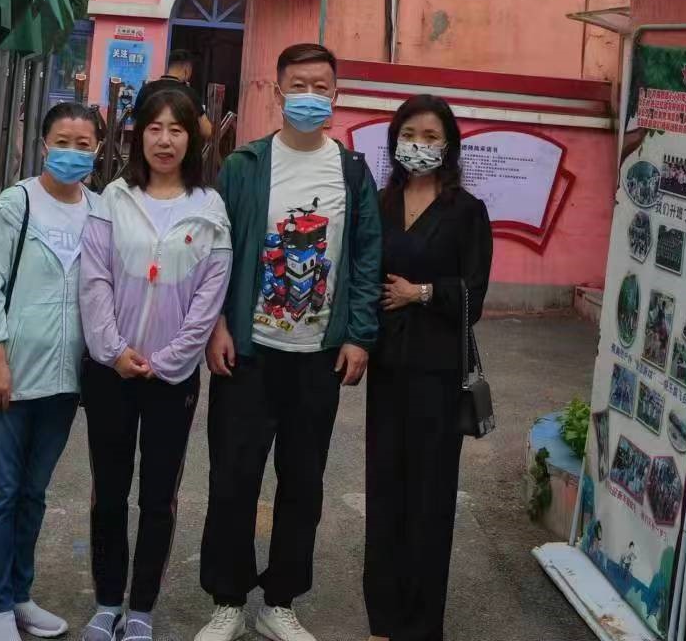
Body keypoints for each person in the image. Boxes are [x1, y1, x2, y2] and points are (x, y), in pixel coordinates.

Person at [196, 42, 382, 641]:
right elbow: (216, 254)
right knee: (233, 479)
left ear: (336, 95)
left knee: (303, 484)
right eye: (298, 85)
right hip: (248, 354)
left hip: (318, 357)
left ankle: (280, 602)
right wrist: (217, 325)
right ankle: (227, 599)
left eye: (320, 86)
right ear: (278, 93)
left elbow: (366, 257)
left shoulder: (351, 172)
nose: (309, 96)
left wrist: (358, 335)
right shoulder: (244, 166)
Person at [79, 88, 232, 641]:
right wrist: (113, 350)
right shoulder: (112, 200)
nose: (165, 141)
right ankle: (106, 603)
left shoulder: (209, 209)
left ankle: (141, 608)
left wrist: (169, 360)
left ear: (192, 139)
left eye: (177, 129)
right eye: (154, 128)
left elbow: (210, 297)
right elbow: (94, 280)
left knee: (158, 496)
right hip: (110, 372)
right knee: (109, 491)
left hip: (173, 379)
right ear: (137, 135)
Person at [0, 103, 104, 641]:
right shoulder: (17, 203)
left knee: (33, 493)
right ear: (44, 144)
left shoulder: (99, 210)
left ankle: (21, 595)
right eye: (62, 141)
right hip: (13, 376)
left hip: (66, 381)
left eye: (83, 144)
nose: (72, 152)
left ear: (98, 149)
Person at [362, 95, 492, 641]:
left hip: (438, 375)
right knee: (384, 492)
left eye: (431, 135)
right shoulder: (380, 203)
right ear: (395, 141)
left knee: (430, 498)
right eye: (410, 134)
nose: (419, 144)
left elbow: (474, 296)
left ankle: (420, 626)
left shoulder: (466, 211)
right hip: (387, 369)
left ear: (449, 145)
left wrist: (420, 293)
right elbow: (363, 273)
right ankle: (382, 620)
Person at [135, 49, 213, 142]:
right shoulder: (189, 94)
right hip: (177, 148)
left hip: (150, 147)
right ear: (187, 69)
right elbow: (206, 131)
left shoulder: (146, 89)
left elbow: (136, 123)